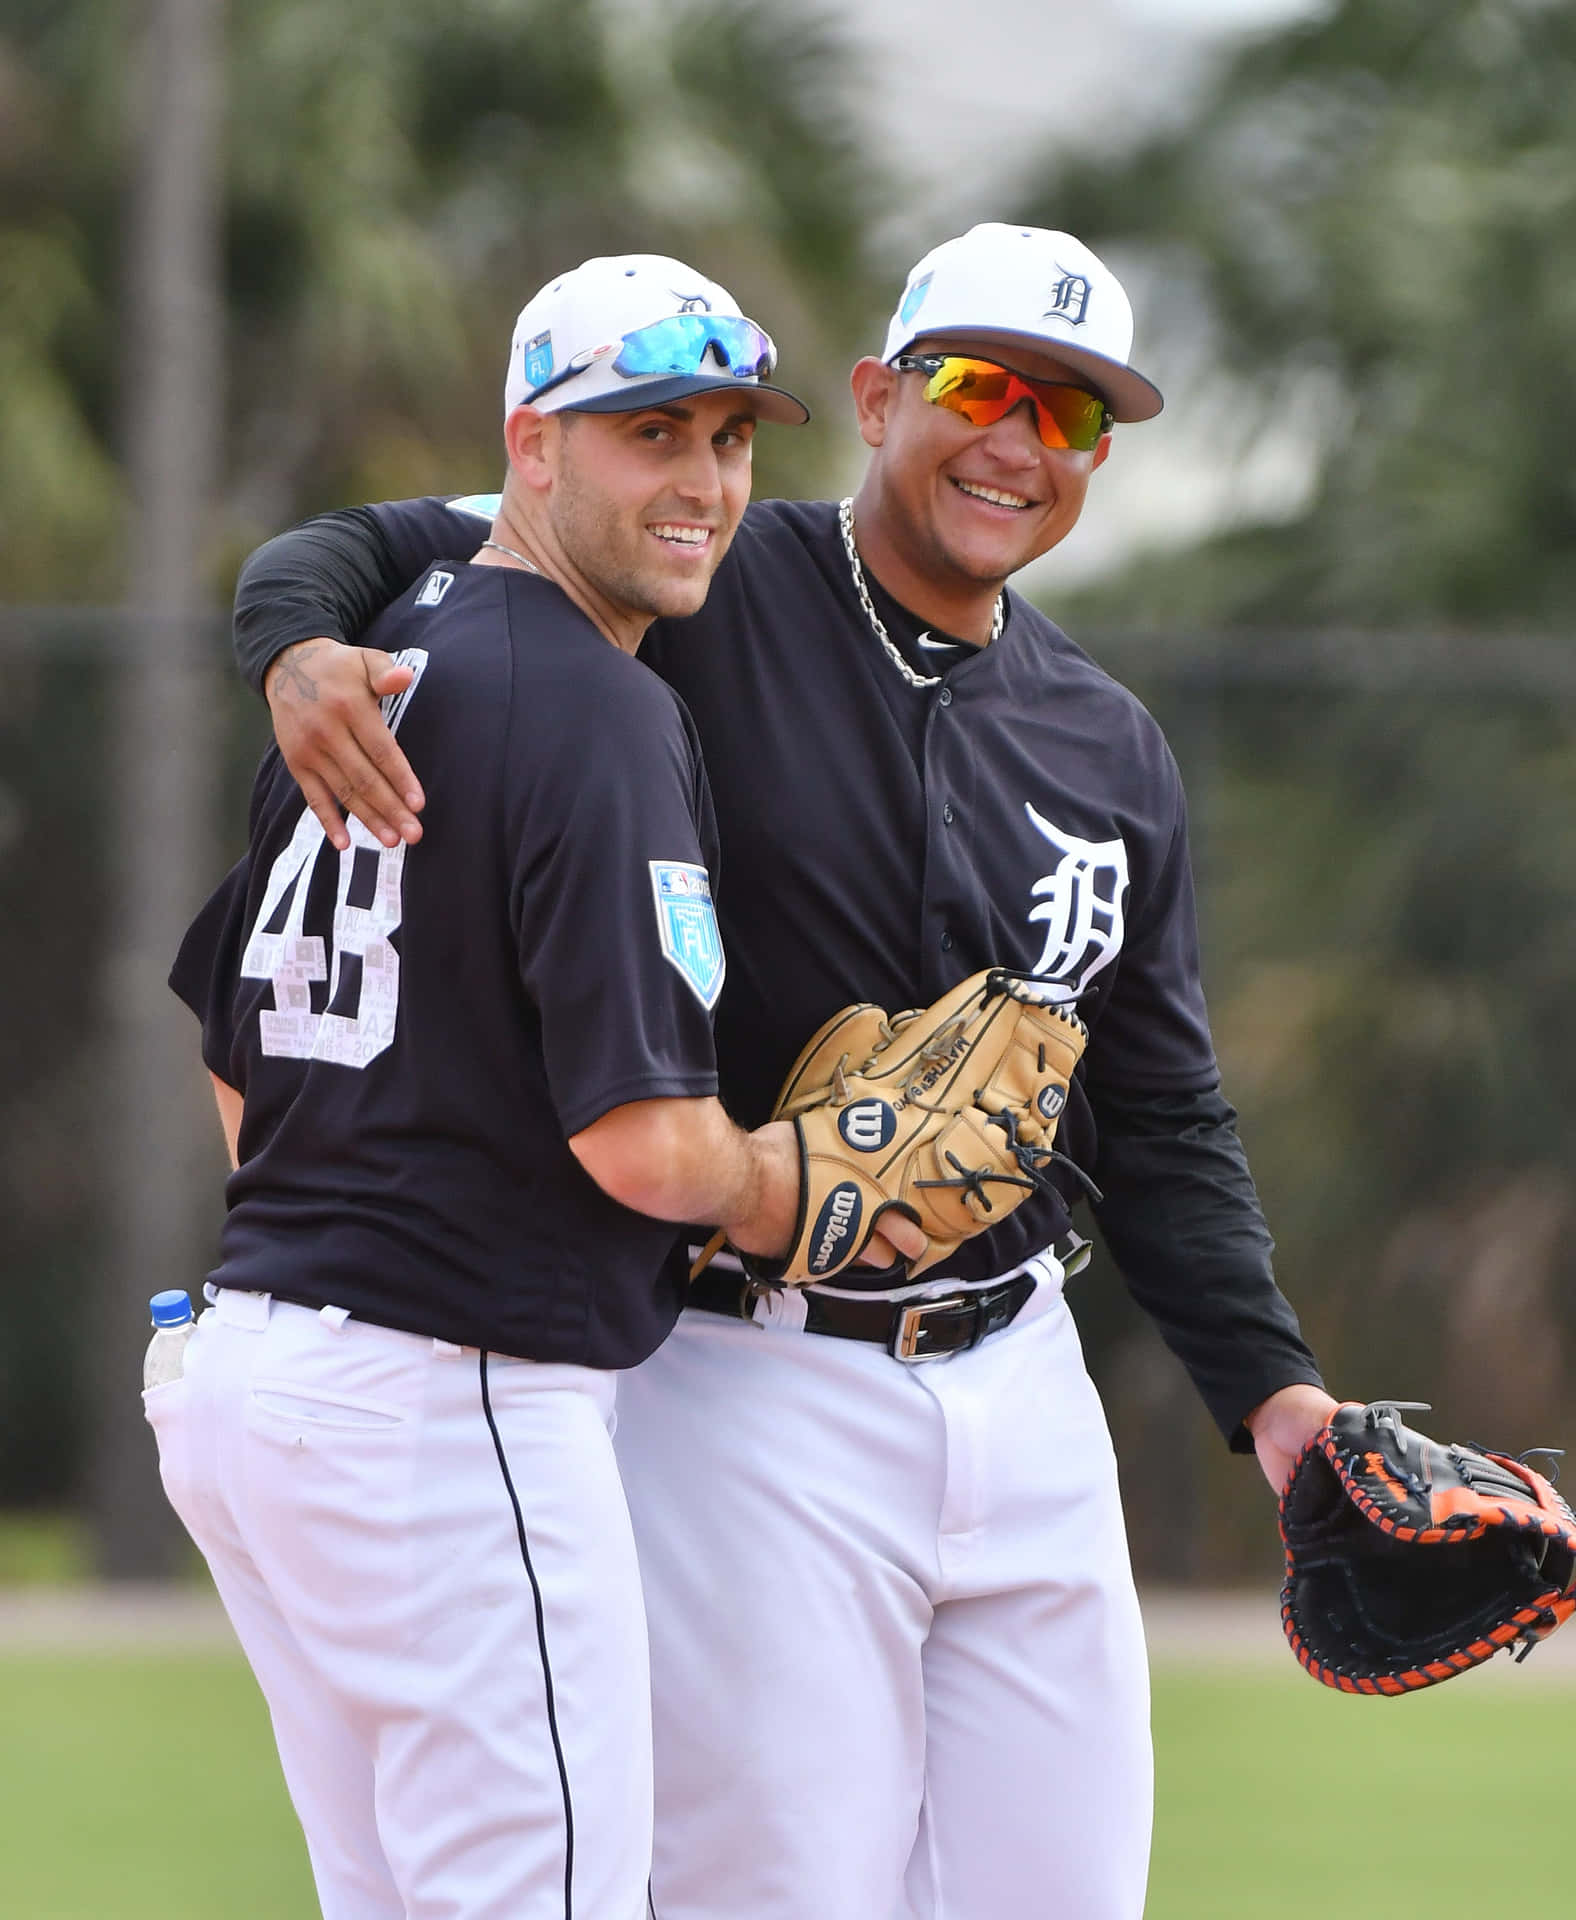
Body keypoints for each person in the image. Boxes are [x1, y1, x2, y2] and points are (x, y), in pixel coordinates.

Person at [229, 223, 1340, 1920]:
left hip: (1023, 1370)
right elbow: (381, 545)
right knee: (772, 1889)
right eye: (980, 387)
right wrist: (294, 649)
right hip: (743, 1372)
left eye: (1073, 416)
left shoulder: (1104, 741)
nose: (1018, 441)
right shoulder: (694, 570)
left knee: (1066, 1890)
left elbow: (1163, 1107)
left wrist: (1276, 1400)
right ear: (880, 395)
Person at [153, 252, 923, 1920]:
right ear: (531, 445)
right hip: (450, 1406)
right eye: (651, 431)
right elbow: (646, 1145)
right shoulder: (593, 706)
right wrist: (800, 1177)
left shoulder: (373, 665)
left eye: (729, 439)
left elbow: (234, 1066)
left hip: (259, 1382)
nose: (705, 482)